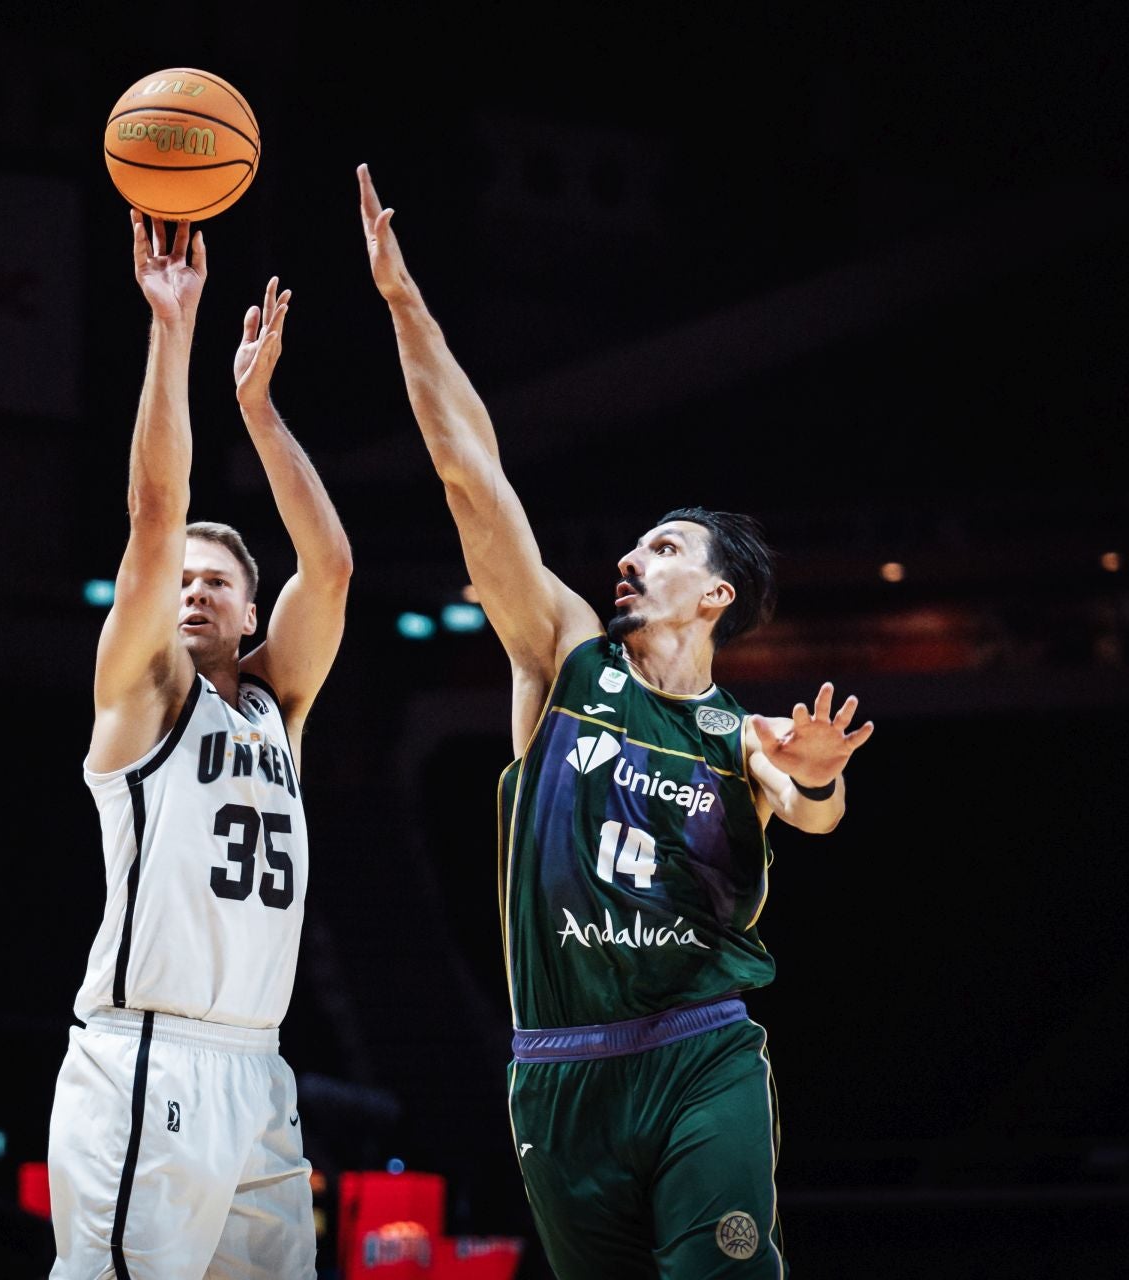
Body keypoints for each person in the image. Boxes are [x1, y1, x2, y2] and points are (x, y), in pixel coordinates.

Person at [356, 162, 876, 1278]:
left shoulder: (739, 731)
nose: (633, 556)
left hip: (700, 1051)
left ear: (715, 595)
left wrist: (821, 776)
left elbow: (810, 810)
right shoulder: (563, 655)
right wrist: (407, 308)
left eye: (667, 548)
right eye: (636, 545)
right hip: (560, 1067)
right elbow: (468, 470)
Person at [45, 210, 354, 1279]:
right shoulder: (137, 691)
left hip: (258, 1069)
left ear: (249, 608)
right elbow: (154, 509)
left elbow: (335, 565)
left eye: (214, 580)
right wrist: (172, 330)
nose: (189, 590)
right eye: (178, 579)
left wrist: (259, 411)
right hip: (144, 1056)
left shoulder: (279, 704)